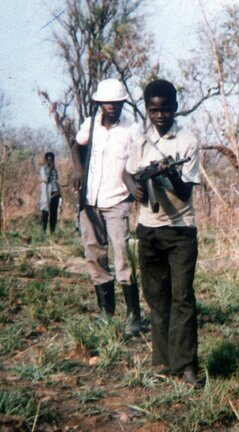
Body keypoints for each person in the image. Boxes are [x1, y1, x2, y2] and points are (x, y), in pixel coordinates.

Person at [123, 79, 200, 385]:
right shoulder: (140, 142)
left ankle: (187, 366)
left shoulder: (187, 142)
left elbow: (185, 193)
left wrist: (169, 173)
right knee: (157, 298)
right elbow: (127, 174)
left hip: (180, 231)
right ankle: (162, 363)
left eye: (165, 109)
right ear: (147, 110)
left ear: (175, 109)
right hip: (148, 230)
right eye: (154, 110)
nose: (159, 115)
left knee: (182, 297)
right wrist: (136, 190)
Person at [71, 78, 143, 336]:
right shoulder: (91, 126)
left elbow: (139, 162)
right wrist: (79, 171)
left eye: (116, 102)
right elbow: (76, 147)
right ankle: (106, 312)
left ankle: (134, 314)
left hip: (118, 199)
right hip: (90, 200)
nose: (111, 106)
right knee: (94, 254)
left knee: (123, 254)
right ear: (100, 103)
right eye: (107, 102)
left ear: (123, 102)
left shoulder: (132, 130)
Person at [39, 152, 61, 233]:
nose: (50, 161)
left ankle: (52, 231)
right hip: (46, 194)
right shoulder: (43, 169)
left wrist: (59, 192)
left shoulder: (55, 170)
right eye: (48, 159)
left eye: (52, 159)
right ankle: (43, 231)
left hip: (55, 193)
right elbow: (46, 180)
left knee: (53, 213)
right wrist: (50, 169)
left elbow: (56, 181)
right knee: (45, 212)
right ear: (46, 160)